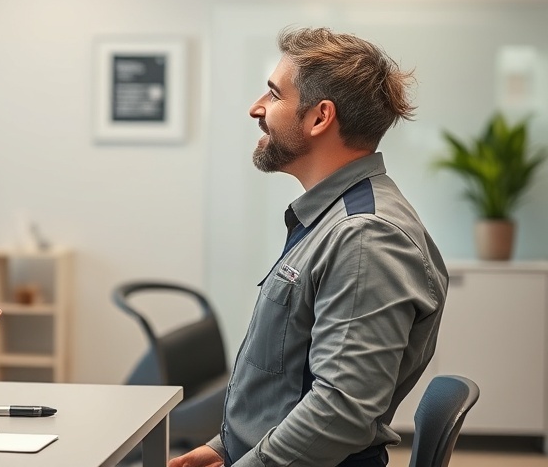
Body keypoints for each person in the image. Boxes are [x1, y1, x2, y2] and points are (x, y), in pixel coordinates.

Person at [170, 27, 448, 467]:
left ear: (320, 118)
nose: (256, 108)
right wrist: (225, 448)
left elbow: (340, 412)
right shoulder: (332, 219)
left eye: (273, 94)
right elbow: (288, 377)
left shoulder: (364, 237)